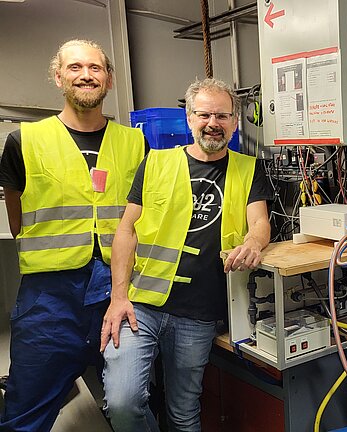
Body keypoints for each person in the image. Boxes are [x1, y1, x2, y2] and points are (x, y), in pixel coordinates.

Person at [100, 77, 272, 431]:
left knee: (183, 412)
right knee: (122, 402)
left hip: (199, 314)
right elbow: (126, 231)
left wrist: (254, 244)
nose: (213, 123)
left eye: (223, 116)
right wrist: (118, 296)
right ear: (189, 119)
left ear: (235, 122)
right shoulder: (156, 163)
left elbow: (259, 223)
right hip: (142, 305)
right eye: (205, 114)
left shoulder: (249, 167)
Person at [0, 39, 146, 431]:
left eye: (95, 68)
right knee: (25, 411)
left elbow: (142, 215)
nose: (86, 75)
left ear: (109, 79)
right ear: (58, 75)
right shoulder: (24, 141)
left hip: (118, 291)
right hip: (49, 299)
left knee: (133, 401)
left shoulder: (135, 143)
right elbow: (17, 218)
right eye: (75, 67)